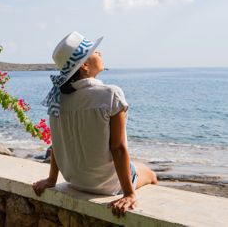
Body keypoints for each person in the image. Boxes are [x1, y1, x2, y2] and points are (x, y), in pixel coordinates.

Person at [32, 31, 157, 217]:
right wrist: (130, 194)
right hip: (107, 185)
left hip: (75, 180)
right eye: (96, 52)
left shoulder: (57, 98)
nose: (101, 53)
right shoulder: (110, 94)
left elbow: (57, 143)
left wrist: (52, 179)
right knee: (151, 175)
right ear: (84, 65)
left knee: (137, 166)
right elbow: (118, 148)